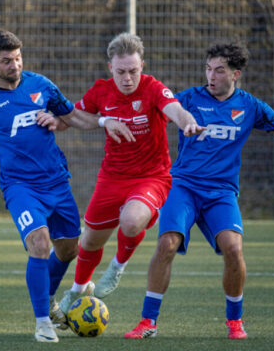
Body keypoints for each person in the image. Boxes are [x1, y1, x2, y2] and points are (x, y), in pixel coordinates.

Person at [0, 29, 135, 343]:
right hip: (20, 187)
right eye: (6, 61)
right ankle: (43, 323)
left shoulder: (41, 85)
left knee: (69, 249)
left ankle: (50, 299)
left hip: (56, 181)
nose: (15, 65)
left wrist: (103, 121)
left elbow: (72, 116)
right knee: (40, 244)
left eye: (18, 58)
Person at [124, 42, 274, 340]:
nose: (211, 76)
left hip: (221, 192)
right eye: (208, 69)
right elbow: (154, 114)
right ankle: (148, 322)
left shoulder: (250, 106)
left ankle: (235, 322)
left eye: (219, 70)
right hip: (183, 186)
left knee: (233, 249)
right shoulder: (188, 99)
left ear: (236, 74)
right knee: (167, 244)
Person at [48, 32, 204, 318]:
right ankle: (77, 289)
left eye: (133, 71)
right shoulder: (101, 91)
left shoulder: (153, 88)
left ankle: (118, 266)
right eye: (121, 72)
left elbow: (176, 110)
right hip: (112, 177)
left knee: (131, 222)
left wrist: (189, 123)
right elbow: (74, 119)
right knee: (89, 242)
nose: (128, 78)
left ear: (142, 65)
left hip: (152, 177)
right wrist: (53, 120)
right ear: (111, 68)